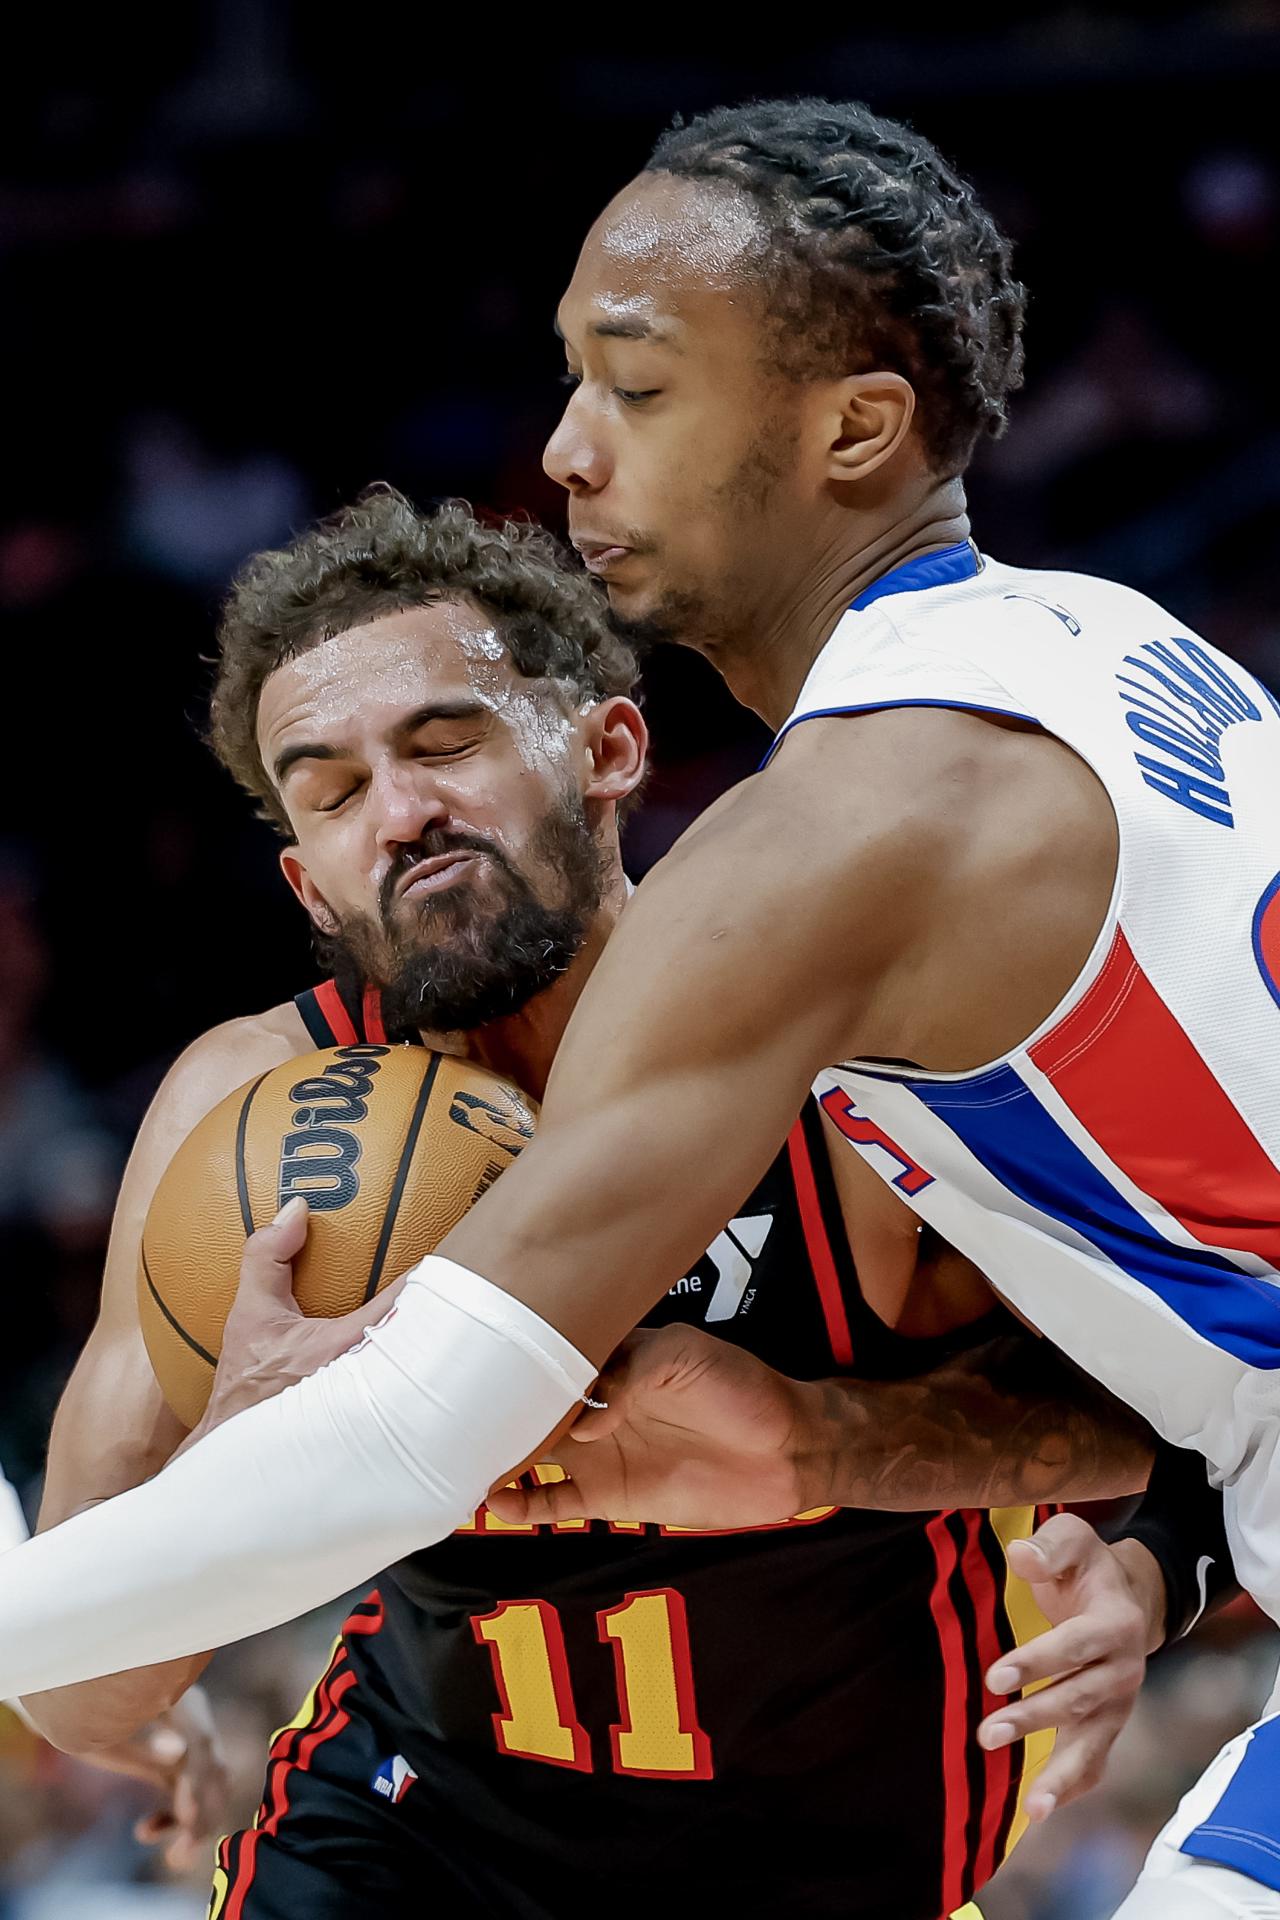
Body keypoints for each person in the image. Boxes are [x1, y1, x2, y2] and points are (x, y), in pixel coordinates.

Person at [0, 97, 1271, 1920]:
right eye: (331, 788)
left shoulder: (823, 889)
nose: (567, 453)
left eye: (638, 388)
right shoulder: (1113, 643)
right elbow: (92, 1678)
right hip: (412, 1840)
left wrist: (838, 1445)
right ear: (294, 872)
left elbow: (413, 1432)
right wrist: (219, 1455)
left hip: (829, 1851)